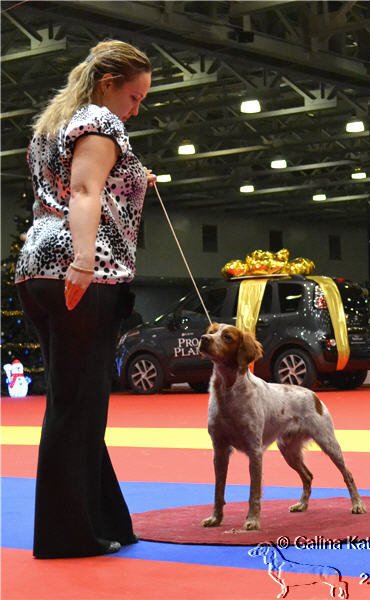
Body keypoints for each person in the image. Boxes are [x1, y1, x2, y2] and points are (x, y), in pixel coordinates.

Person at [15, 40, 155, 559]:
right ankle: (68, 534)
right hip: (79, 274)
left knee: (73, 401)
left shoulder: (50, 127)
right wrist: (82, 260)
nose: (135, 110)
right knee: (79, 405)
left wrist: (136, 180)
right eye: (133, 97)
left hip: (35, 271)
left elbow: (75, 187)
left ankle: (100, 519)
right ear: (107, 84)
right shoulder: (100, 121)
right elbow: (83, 191)